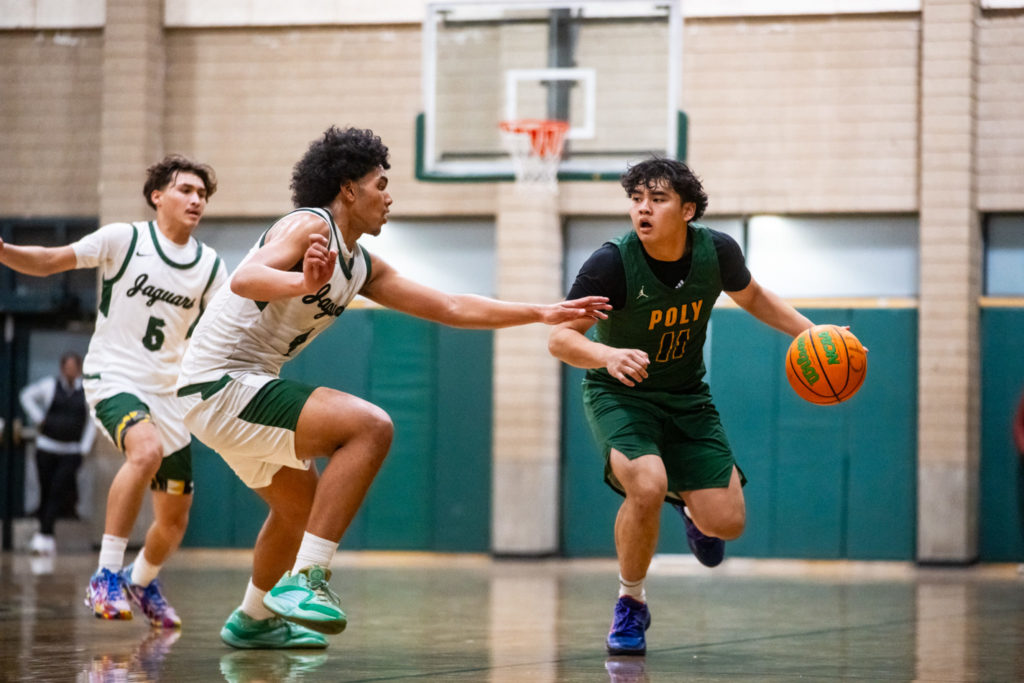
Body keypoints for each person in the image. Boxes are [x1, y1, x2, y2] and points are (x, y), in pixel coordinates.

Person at [176, 125, 611, 650]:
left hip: (240, 387)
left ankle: (253, 620)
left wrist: (541, 311)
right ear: (348, 189)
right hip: (218, 382)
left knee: (302, 511)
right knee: (369, 427)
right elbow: (246, 278)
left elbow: (451, 306)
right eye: (380, 184)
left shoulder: (360, 265)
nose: (389, 196)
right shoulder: (309, 225)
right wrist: (302, 282)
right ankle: (307, 579)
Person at [548, 157, 817, 656]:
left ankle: (690, 508)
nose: (643, 209)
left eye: (657, 199)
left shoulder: (717, 251)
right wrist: (606, 355)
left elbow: (753, 296)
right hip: (621, 394)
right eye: (636, 200)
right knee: (646, 484)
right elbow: (560, 339)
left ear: (688, 210)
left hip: (687, 396)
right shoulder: (610, 264)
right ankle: (631, 601)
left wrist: (813, 332)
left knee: (727, 523)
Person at [0, 155, 226, 628]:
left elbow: (228, 325)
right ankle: (104, 575)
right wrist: (3, 250)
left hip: (170, 393)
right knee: (144, 451)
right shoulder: (125, 239)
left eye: (202, 194)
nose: (196, 200)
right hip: (115, 376)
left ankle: (140, 580)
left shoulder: (209, 266)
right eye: (186, 190)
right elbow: (49, 261)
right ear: (157, 196)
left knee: (174, 520)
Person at [19, 351, 96, 555]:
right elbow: (26, 396)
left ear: (79, 369)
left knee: (58, 490)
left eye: (74, 367)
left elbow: (92, 420)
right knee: (45, 491)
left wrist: (84, 448)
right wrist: (39, 418)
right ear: (62, 368)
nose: (71, 371)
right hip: (47, 447)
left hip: (71, 450)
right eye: (67, 367)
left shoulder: (86, 391)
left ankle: (44, 535)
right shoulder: (49, 385)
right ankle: (46, 535)